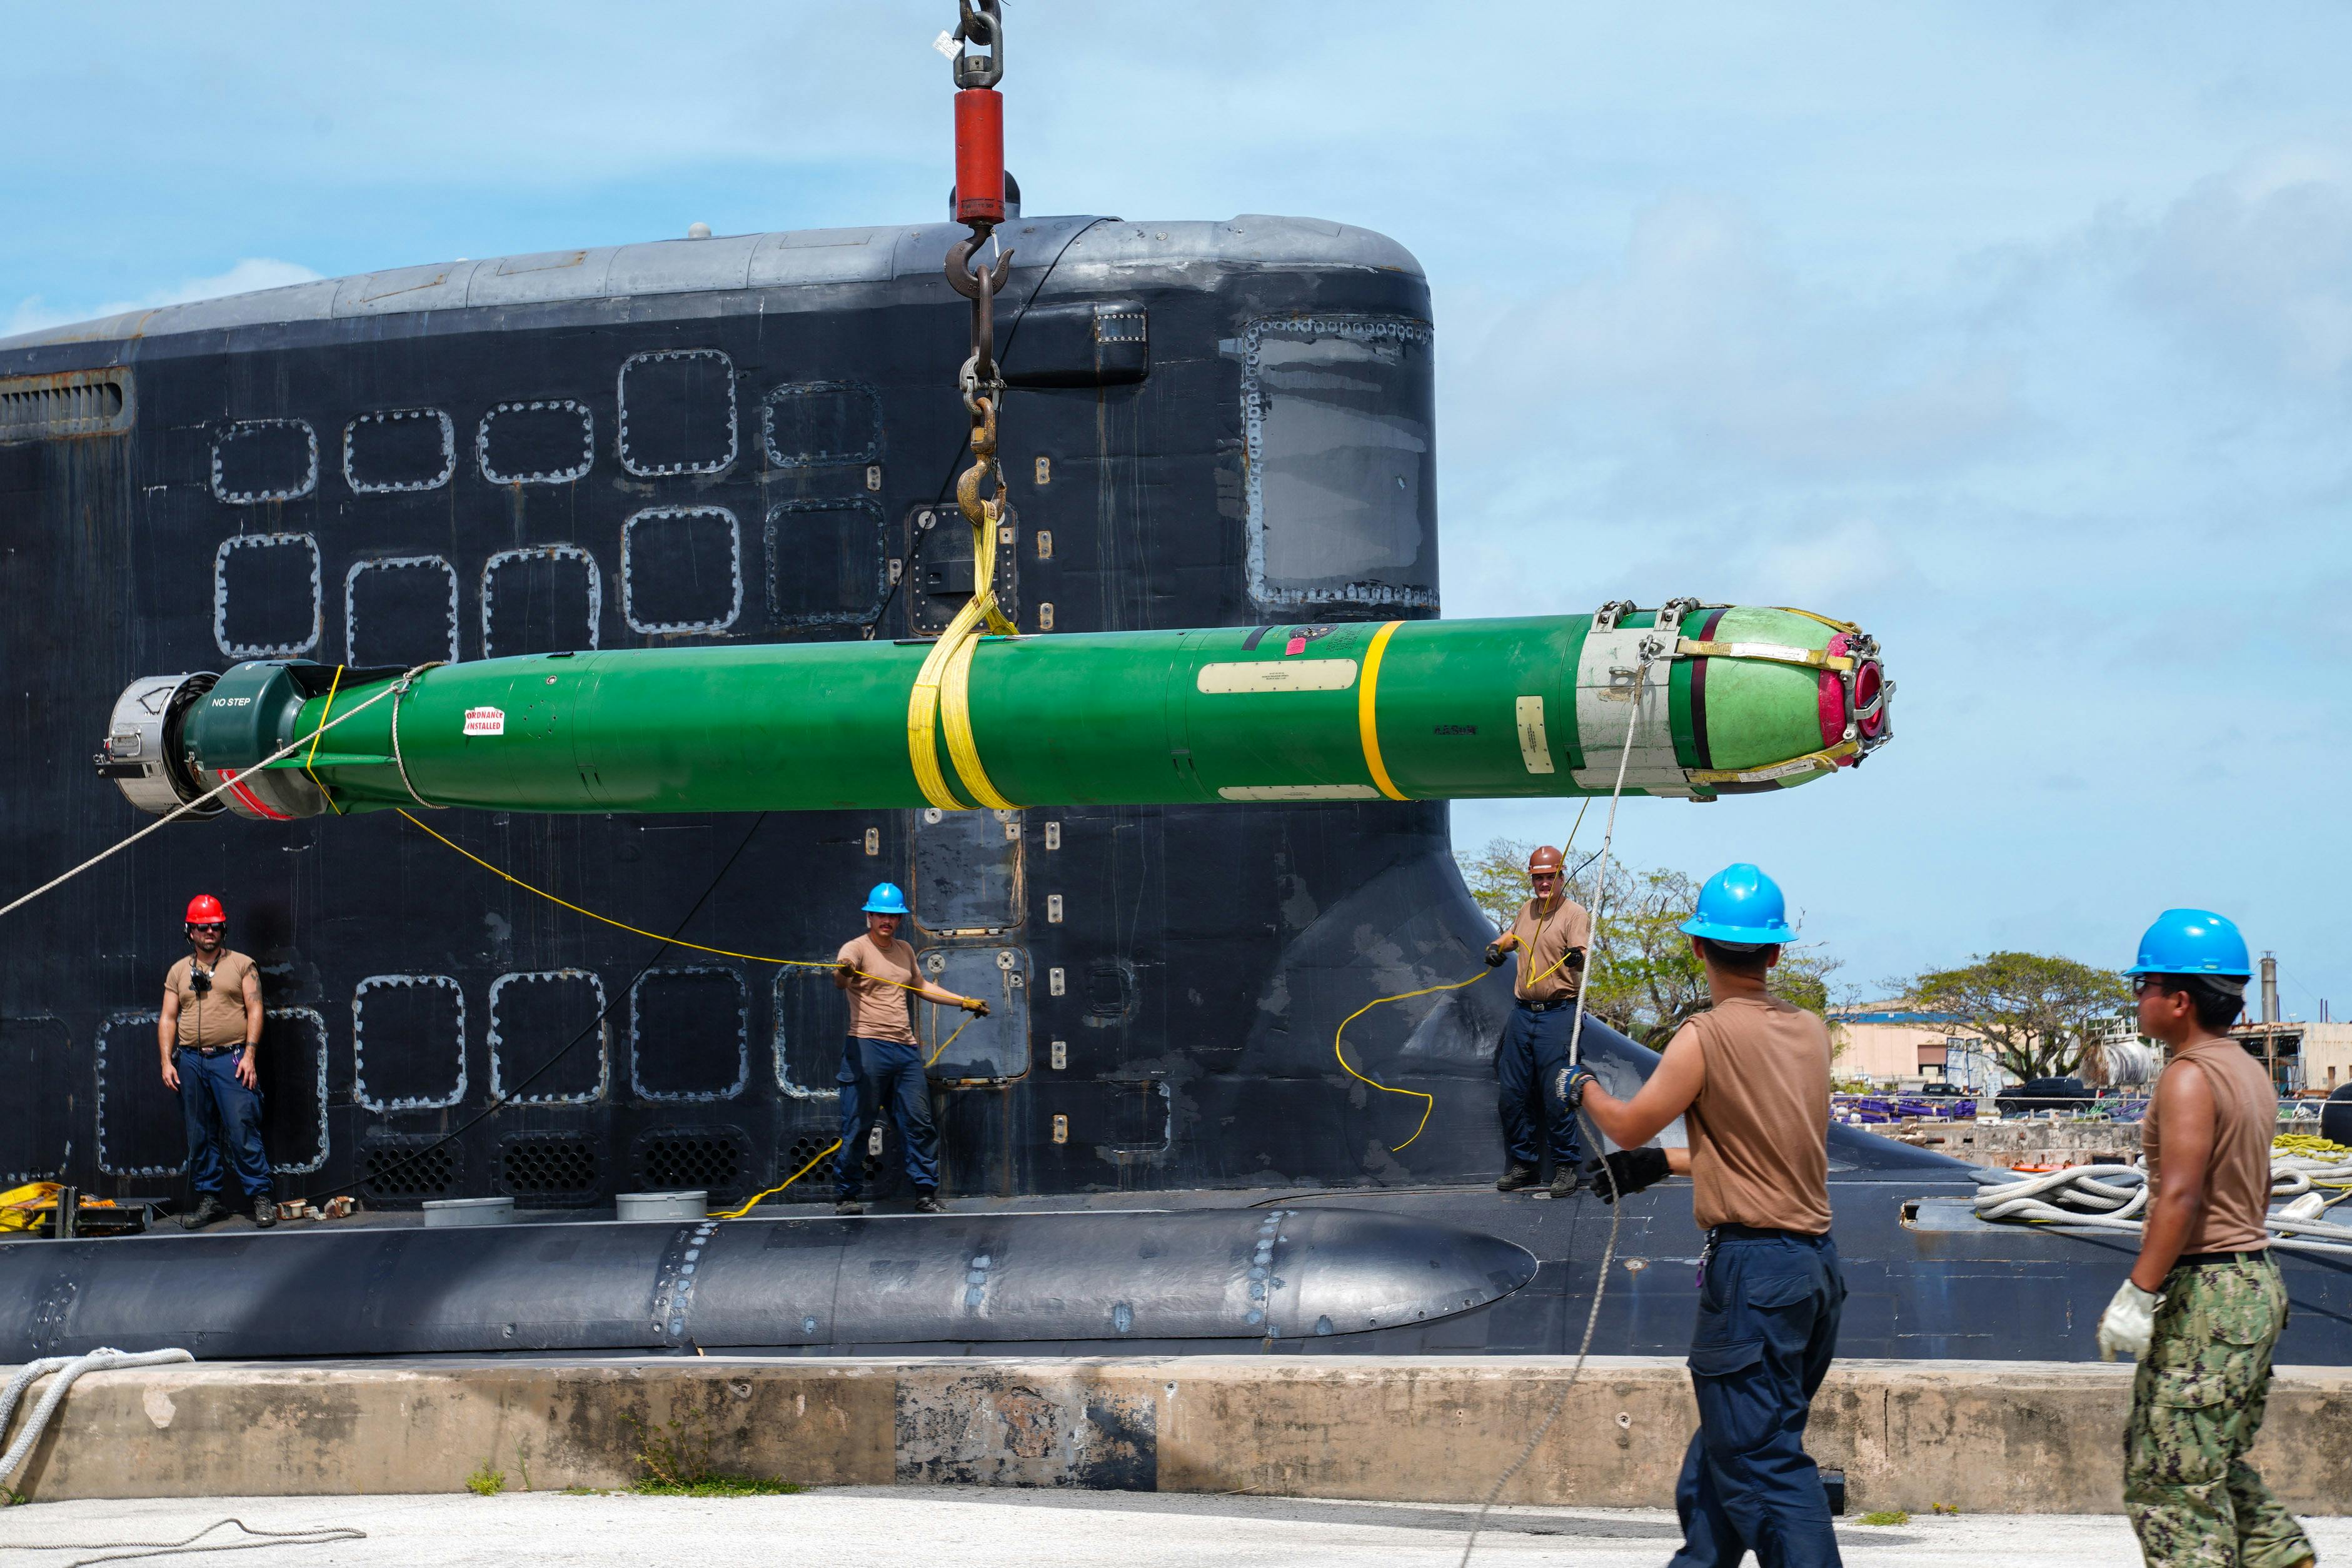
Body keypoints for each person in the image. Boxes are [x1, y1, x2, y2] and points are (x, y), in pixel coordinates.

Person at [1560, 863, 1844, 1568]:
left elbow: (1627, 1125)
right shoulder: (1810, 1033)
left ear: (1697, 948)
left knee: (1763, 1465)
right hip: (1812, 1272)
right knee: (1724, 1459)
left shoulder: (1704, 1036)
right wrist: (1667, 1164)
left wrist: (1582, 1088)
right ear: (1777, 951)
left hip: (1752, 1277)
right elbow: (1768, 1152)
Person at [2098, 910, 2314, 1568]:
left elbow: (2181, 1195)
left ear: (2180, 999)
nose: (2139, 1000)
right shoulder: (2246, 1070)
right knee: (2208, 1458)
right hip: (2251, 1282)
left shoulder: (2189, 1075)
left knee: (2170, 1481)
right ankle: (2281, 1555)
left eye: (2145, 987)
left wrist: (2139, 1291)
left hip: (2210, 1292)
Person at [833, 882, 988, 1216]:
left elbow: (920, 986)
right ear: (869, 916)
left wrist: (963, 1002)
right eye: (880, 915)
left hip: (904, 1050)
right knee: (859, 1124)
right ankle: (847, 1196)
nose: (886, 921)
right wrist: (844, 972)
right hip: (867, 1045)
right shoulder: (855, 948)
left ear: (899, 919)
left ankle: (925, 1193)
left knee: (919, 1123)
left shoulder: (904, 950)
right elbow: (841, 978)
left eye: (892, 916)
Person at [158, 894, 273, 1230]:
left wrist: (250, 1054)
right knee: (199, 1134)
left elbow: (255, 1009)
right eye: (202, 927)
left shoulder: (242, 965)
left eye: (215, 926)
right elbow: (167, 1018)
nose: (209, 932)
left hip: (231, 1058)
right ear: (189, 931)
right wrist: (167, 1062)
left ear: (223, 928)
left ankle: (261, 1197)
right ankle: (211, 1201)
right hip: (191, 1061)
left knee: (242, 1128)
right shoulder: (179, 971)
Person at [1485, 844, 1592, 1197]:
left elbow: (1583, 955)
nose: (1545, 883)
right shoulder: (1527, 909)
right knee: (1512, 1092)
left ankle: (1565, 1167)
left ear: (1562, 877)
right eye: (1539, 878)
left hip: (1558, 1014)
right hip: (1523, 1012)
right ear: (1532, 879)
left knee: (1555, 1093)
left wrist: (1576, 956)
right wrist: (1496, 947)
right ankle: (1524, 1166)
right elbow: (1513, 936)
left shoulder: (1574, 914)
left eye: (1550, 877)